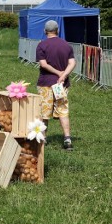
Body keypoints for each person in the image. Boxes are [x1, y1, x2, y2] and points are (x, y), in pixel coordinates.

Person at [36, 20, 77, 151]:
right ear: (57, 31)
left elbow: (43, 64)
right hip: (61, 85)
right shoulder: (66, 45)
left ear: (45, 31)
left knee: (44, 111)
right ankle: (67, 139)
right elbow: (72, 63)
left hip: (46, 84)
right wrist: (63, 75)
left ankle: (43, 138)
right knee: (63, 110)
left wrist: (57, 72)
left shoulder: (42, 45)